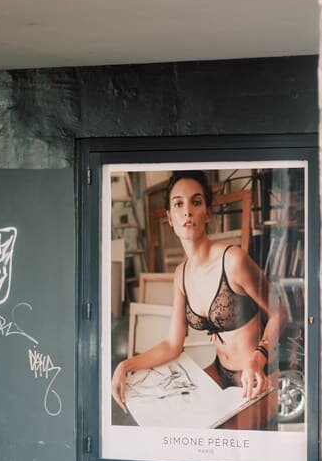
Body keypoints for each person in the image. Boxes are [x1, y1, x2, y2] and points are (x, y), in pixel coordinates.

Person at [112, 170, 285, 414]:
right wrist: (125, 366)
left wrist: (259, 357)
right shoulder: (181, 275)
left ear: (208, 212)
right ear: (170, 218)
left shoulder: (233, 260)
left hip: (258, 372)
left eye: (196, 202)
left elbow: (280, 312)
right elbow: (173, 344)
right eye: (178, 204)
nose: (187, 211)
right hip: (219, 371)